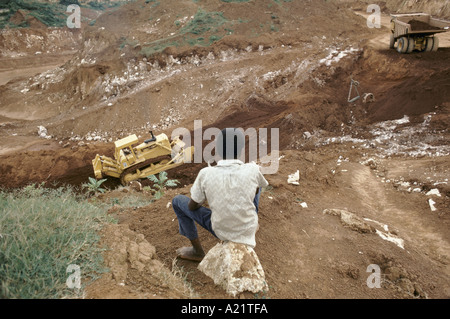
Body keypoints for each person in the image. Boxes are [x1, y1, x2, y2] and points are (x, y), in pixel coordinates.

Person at [172, 128, 269, 262]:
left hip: (221, 231)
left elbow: (192, 206)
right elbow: (256, 192)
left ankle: (197, 252)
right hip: (247, 228)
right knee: (257, 184)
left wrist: (205, 198)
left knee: (177, 201)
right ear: (241, 149)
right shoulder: (252, 169)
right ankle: (252, 223)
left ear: (217, 148)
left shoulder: (206, 173)